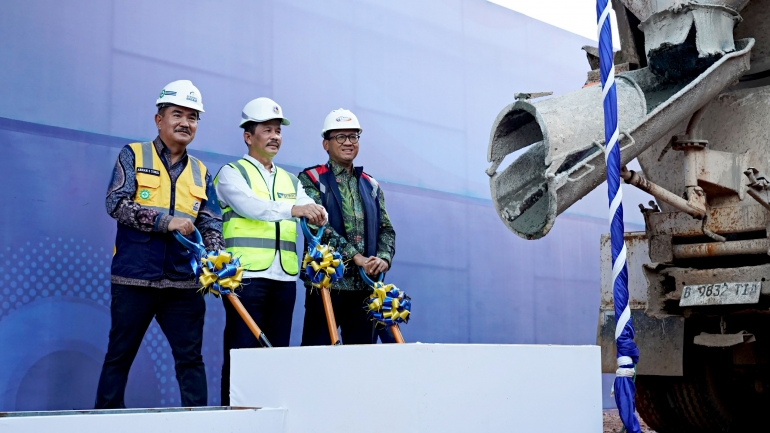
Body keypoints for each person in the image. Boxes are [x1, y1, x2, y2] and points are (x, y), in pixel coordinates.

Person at [96, 80, 223, 408]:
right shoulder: (133, 154)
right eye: (177, 114)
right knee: (118, 358)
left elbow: (210, 222)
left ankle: (198, 425)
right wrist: (165, 222)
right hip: (134, 278)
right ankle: (104, 424)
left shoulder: (200, 171)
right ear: (159, 119)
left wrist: (214, 255)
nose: (185, 123)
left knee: (190, 361)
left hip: (183, 284)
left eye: (193, 117)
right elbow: (116, 203)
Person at [214, 97, 327, 405]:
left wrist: (316, 212)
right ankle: (233, 417)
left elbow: (317, 209)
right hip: (246, 278)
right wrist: (296, 209)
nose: (275, 136)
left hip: (284, 279)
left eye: (278, 130)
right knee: (242, 354)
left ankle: (269, 416)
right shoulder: (231, 172)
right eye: (267, 129)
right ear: (248, 136)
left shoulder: (291, 179)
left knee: (275, 355)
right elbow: (253, 208)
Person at [299, 108, 396, 346]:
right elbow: (320, 228)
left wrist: (382, 258)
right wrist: (356, 257)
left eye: (353, 136)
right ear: (326, 144)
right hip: (325, 285)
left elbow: (386, 229)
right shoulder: (311, 179)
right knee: (316, 358)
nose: (348, 142)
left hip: (365, 288)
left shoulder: (370, 184)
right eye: (340, 137)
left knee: (362, 364)